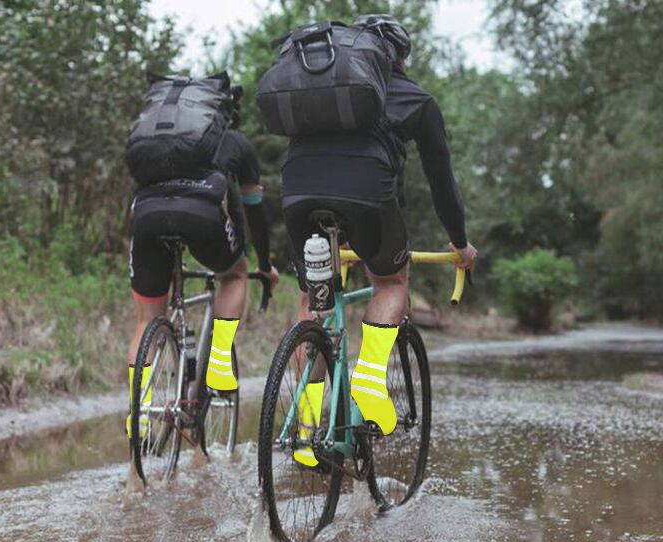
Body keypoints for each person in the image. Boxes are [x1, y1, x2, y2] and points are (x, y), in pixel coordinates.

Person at [280, 14, 477, 463]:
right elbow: (441, 180)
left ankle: (309, 427)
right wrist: (459, 242)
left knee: (314, 299)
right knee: (390, 280)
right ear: (400, 57)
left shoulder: (318, 91)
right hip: (366, 194)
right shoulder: (415, 97)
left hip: (297, 192)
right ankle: (370, 379)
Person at [126, 83, 279, 438]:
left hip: (148, 217)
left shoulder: (154, 140)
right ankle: (220, 359)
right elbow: (254, 212)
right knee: (234, 275)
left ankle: (138, 415)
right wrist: (263, 262)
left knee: (146, 320)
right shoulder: (236, 142)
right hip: (203, 218)